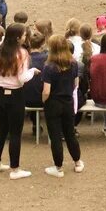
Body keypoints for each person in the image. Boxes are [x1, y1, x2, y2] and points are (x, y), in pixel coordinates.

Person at [0, 24, 37, 179]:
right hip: (15, 94)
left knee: (1, 129)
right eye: (23, 35)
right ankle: (15, 169)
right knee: (15, 132)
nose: (25, 37)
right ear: (18, 38)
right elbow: (22, 79)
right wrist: (32, 72)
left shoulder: (0, 50)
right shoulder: (21, 53)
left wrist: (2, 41)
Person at [41, 35, 84, 177]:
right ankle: (77, 161)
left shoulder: (49, 67)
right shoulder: (73, 63)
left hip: (53, 103)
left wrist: (44, 100)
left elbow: (46, 90)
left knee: (55, 136)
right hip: (67, 102)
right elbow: (76, 83)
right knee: (70, 133)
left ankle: (58, 167)